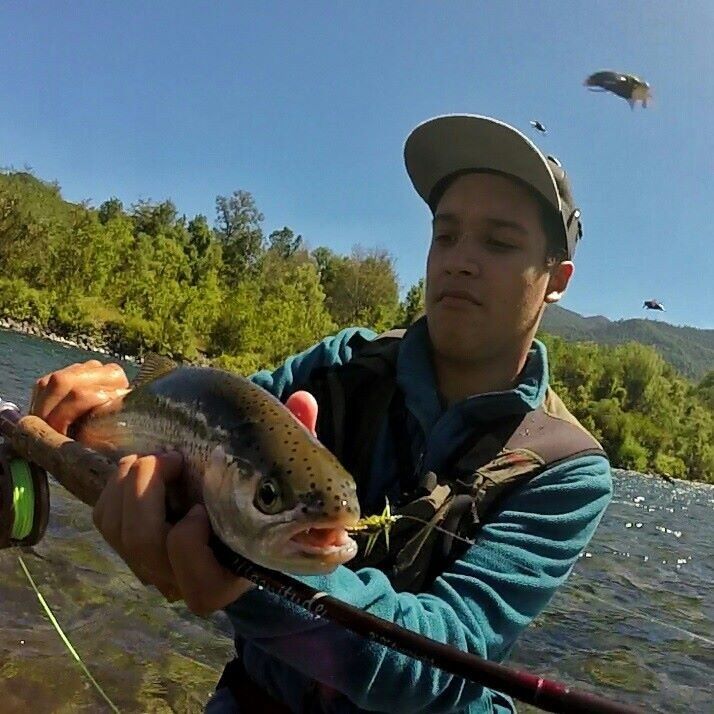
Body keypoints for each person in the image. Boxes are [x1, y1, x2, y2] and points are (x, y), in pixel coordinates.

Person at [30, 114, 612, 713]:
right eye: (446, 234)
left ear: (556, 280)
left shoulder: (566, 470)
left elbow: (440, 658)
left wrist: (249, 577)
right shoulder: (340, 364)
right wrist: (96, 414)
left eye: (499, 241)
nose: (460, 260)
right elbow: (199, 421)